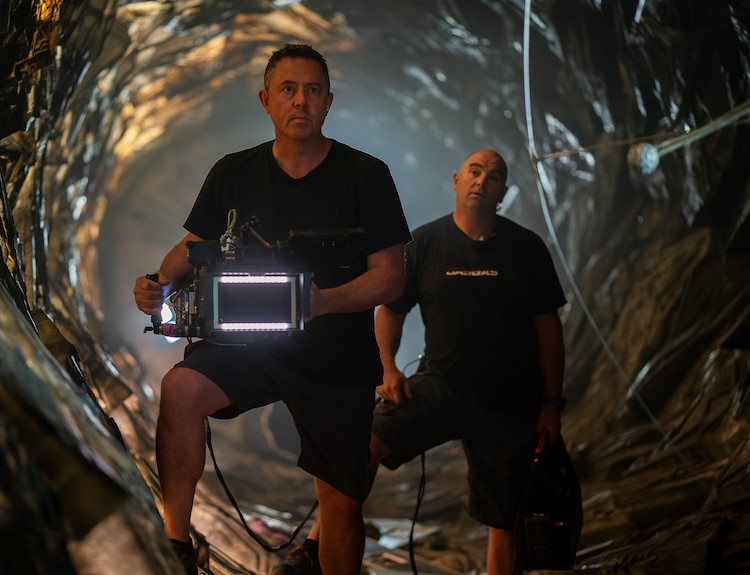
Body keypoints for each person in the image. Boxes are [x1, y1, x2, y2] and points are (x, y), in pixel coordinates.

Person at [133, 43, 411, 575]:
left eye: (312, 90)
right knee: (181, 388)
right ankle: (174, 546)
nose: (300, 100)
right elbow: (193, 245)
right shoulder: (233, 173)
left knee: (341, 501)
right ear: (266, 100)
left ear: (329, 102)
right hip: (250, 344)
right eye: (288, 89)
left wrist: (324, 301)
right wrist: (157, 282)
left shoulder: (366, 176)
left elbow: (390, 276)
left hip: (336, 358)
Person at [276, 149, 566, 575]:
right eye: (474, 171)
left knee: (504, 514)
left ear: (503, 190)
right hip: (440, 385)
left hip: (507, 401)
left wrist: (551, 403)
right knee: (364, 445)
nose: (482, 180)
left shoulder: (526, 249)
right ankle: (315, 549)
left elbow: (548, 328)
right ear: (455, 180)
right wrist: (388, 368)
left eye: (494, 176)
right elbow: (390, 310)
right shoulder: (426, 243)